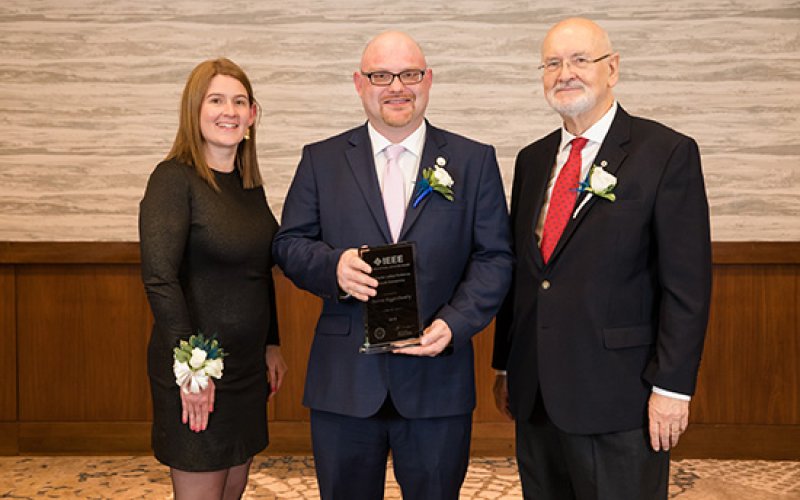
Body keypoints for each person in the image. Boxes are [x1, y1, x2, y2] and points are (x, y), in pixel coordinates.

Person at [273, 31, 512, 499]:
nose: (396, 87)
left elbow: (496, 257)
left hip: (437, 379)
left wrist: (456, 323)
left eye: (409, 74)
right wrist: (333, 268)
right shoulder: (321, 160)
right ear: (359, 84)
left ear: (428, 80)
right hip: (345, 382)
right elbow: (289, 244)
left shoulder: (473, 160)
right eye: (381, 75)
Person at [492, 18, 712, 500]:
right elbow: (526, 273)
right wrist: (507, 366)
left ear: (612, 69)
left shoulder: (665, 153)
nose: (564, 73)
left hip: (621, 396)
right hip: (537, 396)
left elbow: (687, 287)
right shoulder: (532, 159)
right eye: (552, 63)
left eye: (579, 60)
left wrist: (673, 388)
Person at [139, 58, 288, 500]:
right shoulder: (173, 179)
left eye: (240, 101)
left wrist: (272, 343)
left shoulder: (249, 187)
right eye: (217, 100)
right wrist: (193, 371)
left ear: (254, 114)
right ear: (194, 110)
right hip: (197, 372)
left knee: (233, 490)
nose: (230, 111)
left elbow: (258, 273)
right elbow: (160, 278)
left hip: (245, 369)